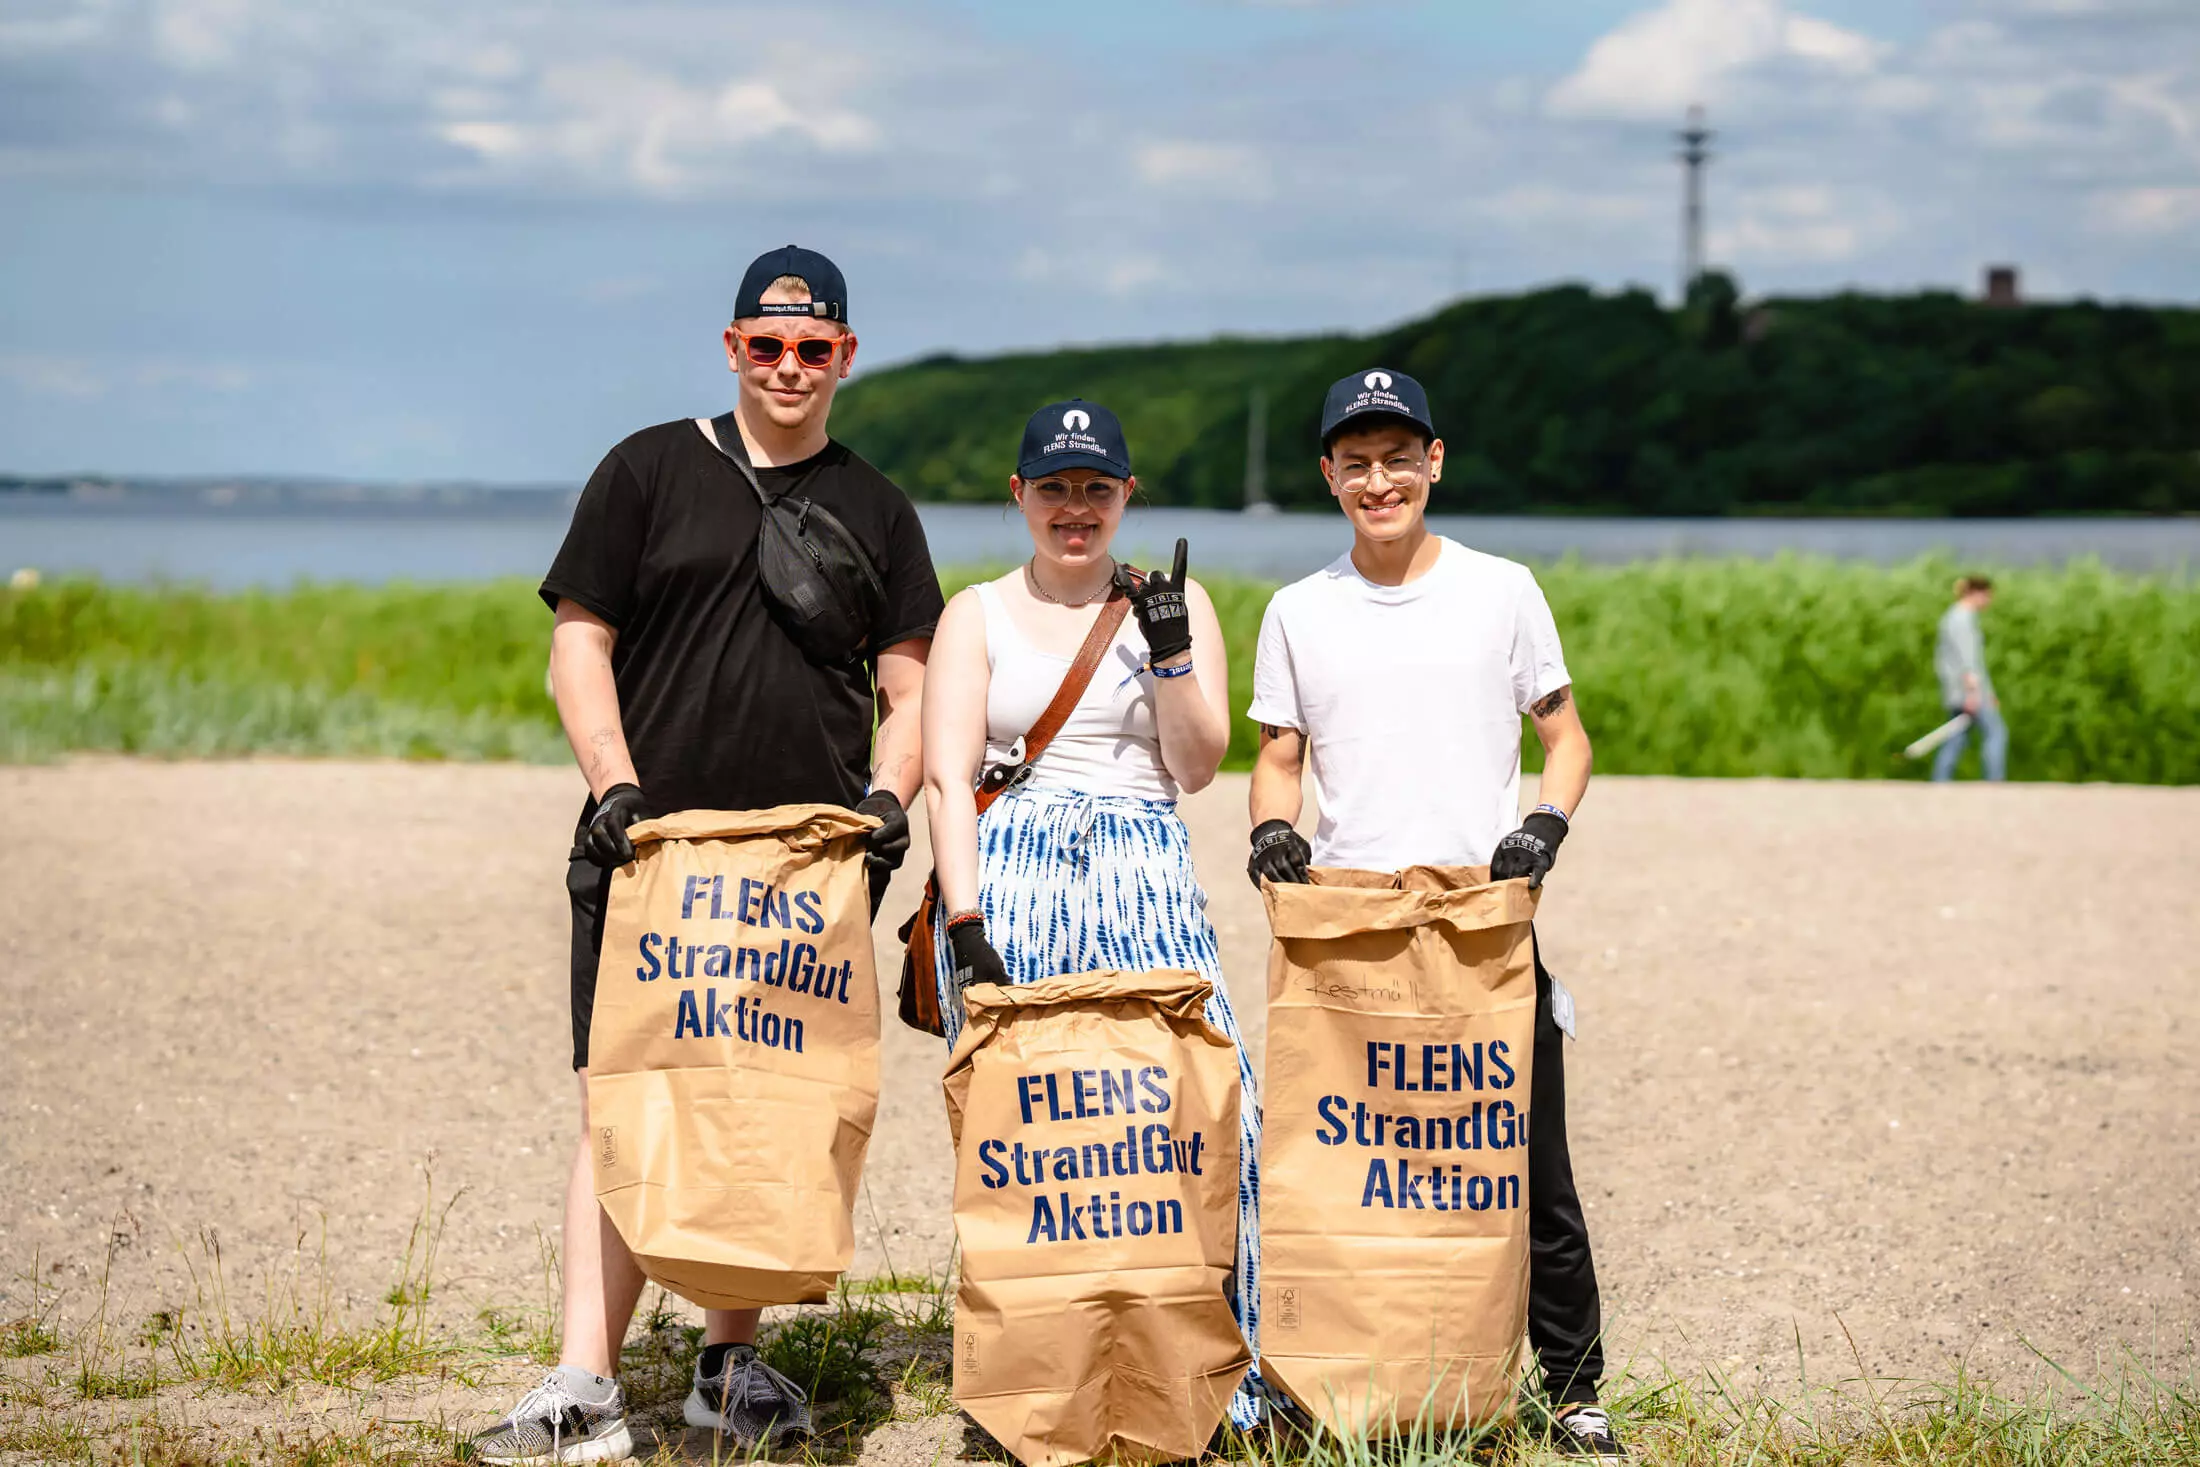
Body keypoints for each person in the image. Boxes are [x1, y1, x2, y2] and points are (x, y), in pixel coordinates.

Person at [471, 245, 946, 1465]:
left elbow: (911, 682)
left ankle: (728, 1369)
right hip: (649, 848)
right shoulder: (644, 469)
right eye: (766, 345)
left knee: (766, 1106)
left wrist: (888, 801)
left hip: (805, 866)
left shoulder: (878, 506)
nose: (789, 367)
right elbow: (580, 644)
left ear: (845, 356)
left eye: (814, 348)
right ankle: (583, 1380)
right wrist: (613, 786)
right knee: (625, 1099)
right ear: (731, 348)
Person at [1244, 369, 1625, 1461]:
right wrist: (1272, 833)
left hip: (1482, 922)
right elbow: (1277, 759)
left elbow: (1567, 739)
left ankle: (1574, 1388)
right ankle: (1330, 1383)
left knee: (1526, 1161)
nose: (1379, 480)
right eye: (1354, 462)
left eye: (1397, 458)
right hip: (1352, 928)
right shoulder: (1296, 610)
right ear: (1327, 476)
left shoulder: (1501, 590)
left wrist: (1543, 828)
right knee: (1346, 1164)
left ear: (1434, 462)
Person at [919, 399, 1272, 1430]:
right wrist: (965, 923)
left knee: (1210, 1112)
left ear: (1127, 496)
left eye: (1097, 489)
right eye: (1055, 488)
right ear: (1018, 495)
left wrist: (1169, 655)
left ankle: (1219, 1388)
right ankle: (1040, 1391)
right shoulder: (975, 611)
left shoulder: (1179, 601)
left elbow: (1198, 768)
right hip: (1012, 866)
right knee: (1035, 1136)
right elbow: (946, 776)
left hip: (1141, 855)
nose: (1076, 510)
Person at [1932, 575, 2007, 782]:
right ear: (1976, 593)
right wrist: (1975, 694)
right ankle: (1994, 782)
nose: (1988, 601)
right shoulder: (1962, 619)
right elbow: (1969, 662)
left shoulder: (1952, 617)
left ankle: (1940, 781)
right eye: (1987, 596)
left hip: (1957, 691)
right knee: (1996, 734)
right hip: (1969, 692)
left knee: (1956, 738)